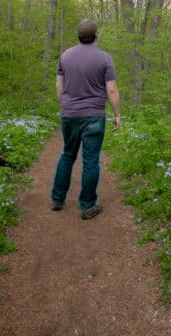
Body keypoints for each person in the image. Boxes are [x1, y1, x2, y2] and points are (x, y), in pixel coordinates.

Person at [51, 19, 120, 220]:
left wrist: (65, 105)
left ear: (77, 34)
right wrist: (117, 114)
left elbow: (58, 86)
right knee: (90, 161)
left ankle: (57, 199)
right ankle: (87, 206)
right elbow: (112, 89)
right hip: (94, 117)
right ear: (96, 35)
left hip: (69, 114)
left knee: (67, 154)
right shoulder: (104, 58)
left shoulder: (65, 56)